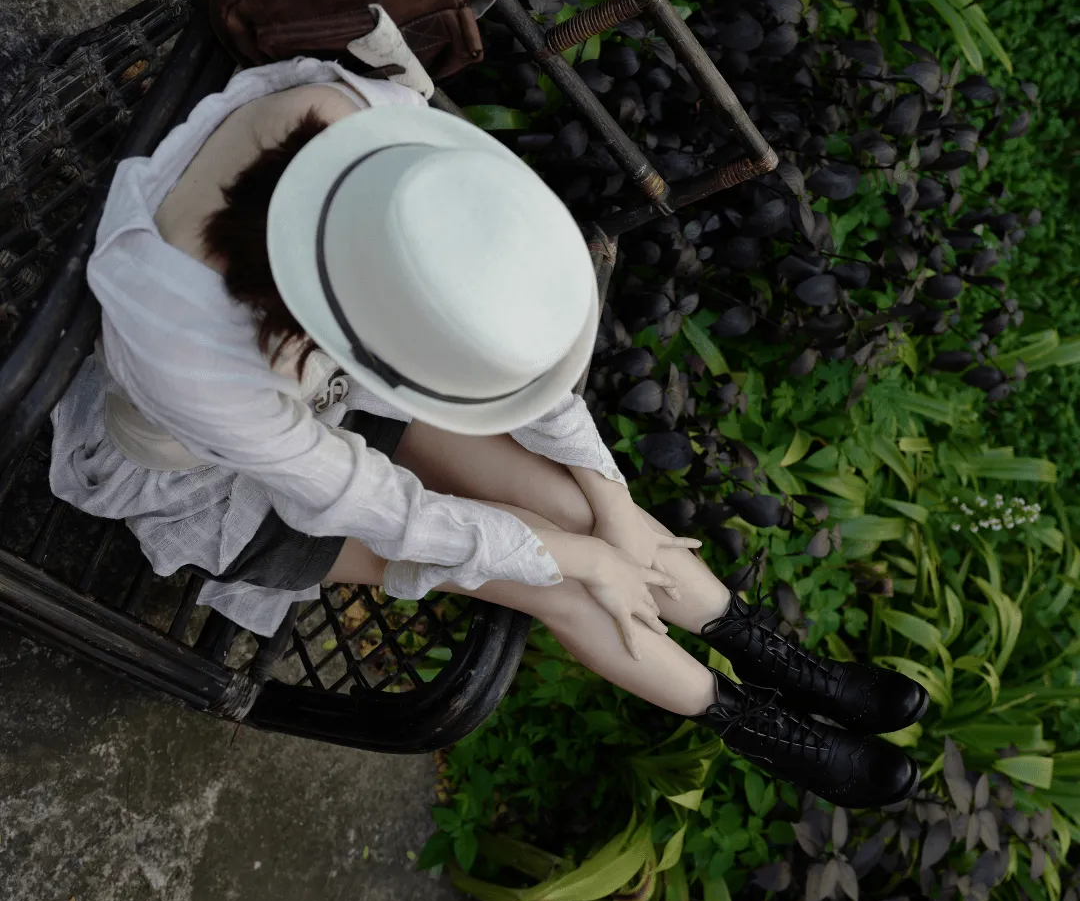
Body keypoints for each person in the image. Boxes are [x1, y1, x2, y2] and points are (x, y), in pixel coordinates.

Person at [50, 50, 927, 809]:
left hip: (330, 387)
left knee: (569, 508)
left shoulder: (374, 144)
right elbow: (386, 511)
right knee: (555, 581)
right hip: (198, 476)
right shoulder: (195, 355)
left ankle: (760, 652)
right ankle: (751, 724)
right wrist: (586, 558)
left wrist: (609, 507)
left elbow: (497, 343)